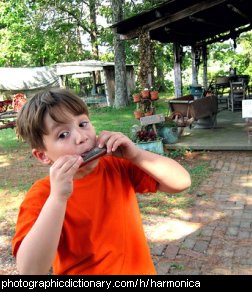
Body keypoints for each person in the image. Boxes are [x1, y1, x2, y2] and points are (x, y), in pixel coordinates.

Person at [12, 88, 191, 275]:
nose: (82, 137)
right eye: (63, 134)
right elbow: (30, 271)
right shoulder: (43, 195)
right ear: (42, 156)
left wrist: (136, 155)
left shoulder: (116, 165)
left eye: (83, 124)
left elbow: (182, 182)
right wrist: (57, 199)